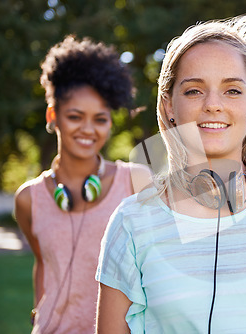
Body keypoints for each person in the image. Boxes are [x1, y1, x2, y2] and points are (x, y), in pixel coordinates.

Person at [95, 13, 246, 333]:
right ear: (169, 106)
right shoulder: (130, 222)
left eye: (232, 90)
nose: (213, 104)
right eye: (194, 90)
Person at [14, 35, 151, 333]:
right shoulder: (28, 199)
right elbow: (44, 263)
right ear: (54, 116)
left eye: (100, 119)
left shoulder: (137, 181)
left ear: (110, 123)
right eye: (75, 116)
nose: (88, 130)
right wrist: (39, 316)